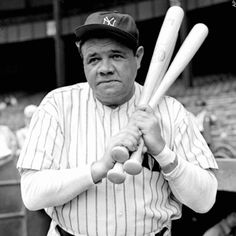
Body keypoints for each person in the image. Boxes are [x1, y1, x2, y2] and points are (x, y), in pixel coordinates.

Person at [17, 10, 219, 236]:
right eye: (93, 59)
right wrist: (98, 168)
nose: (105, 68)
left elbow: (205, 201)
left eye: (116, 56)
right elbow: (32, 194)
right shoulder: (57, 105)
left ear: (139, 57)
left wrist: (163, 153)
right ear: (82, 60)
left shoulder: (172, 111)